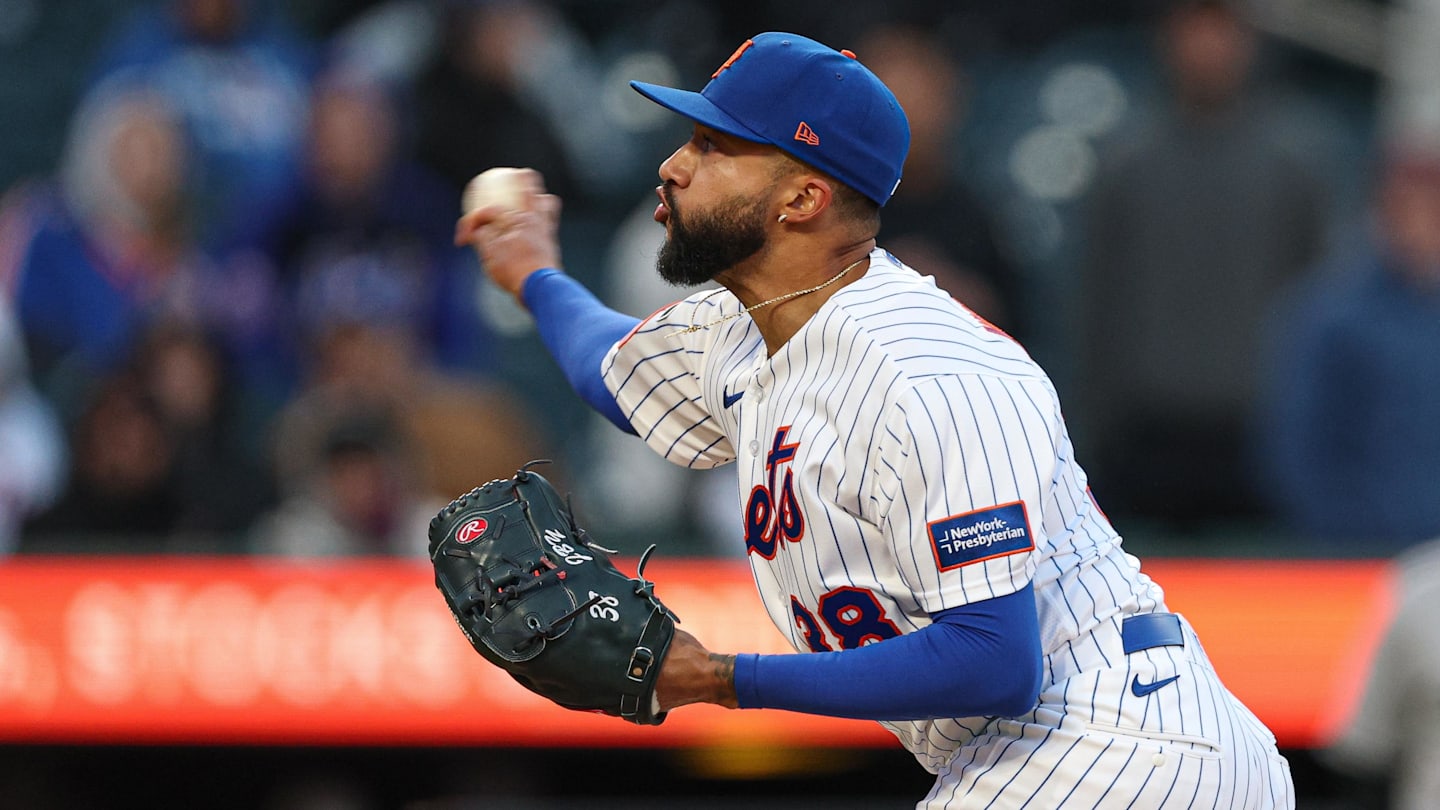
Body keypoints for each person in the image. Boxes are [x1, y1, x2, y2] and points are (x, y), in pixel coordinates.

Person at [456, 32, 1294, 808]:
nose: (674, 165)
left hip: (1118, 743)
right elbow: (615, 370)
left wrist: (717, 679)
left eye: (713, 147)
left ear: (804, 197)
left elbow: (992, 659)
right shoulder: (751, 325)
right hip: (1052, 753)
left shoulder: (926, 372)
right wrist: (533, 271)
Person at [1075, 0, 1330, 532]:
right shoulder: (1126, 163)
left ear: (1248, 43)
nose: (1207, 49)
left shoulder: (1294, 164)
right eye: (1193, 30)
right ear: (1167, 41)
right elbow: (1095, 303)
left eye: (1222, 31)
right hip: (1145, 435)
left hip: (1259, 437)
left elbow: (1317, 304)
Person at [1255, 148, 1440, 554]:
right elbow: (1297, 447)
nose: (1422, 223)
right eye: (1408, 205)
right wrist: (1343, 538)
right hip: (1359, 558)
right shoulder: (1330, 314)